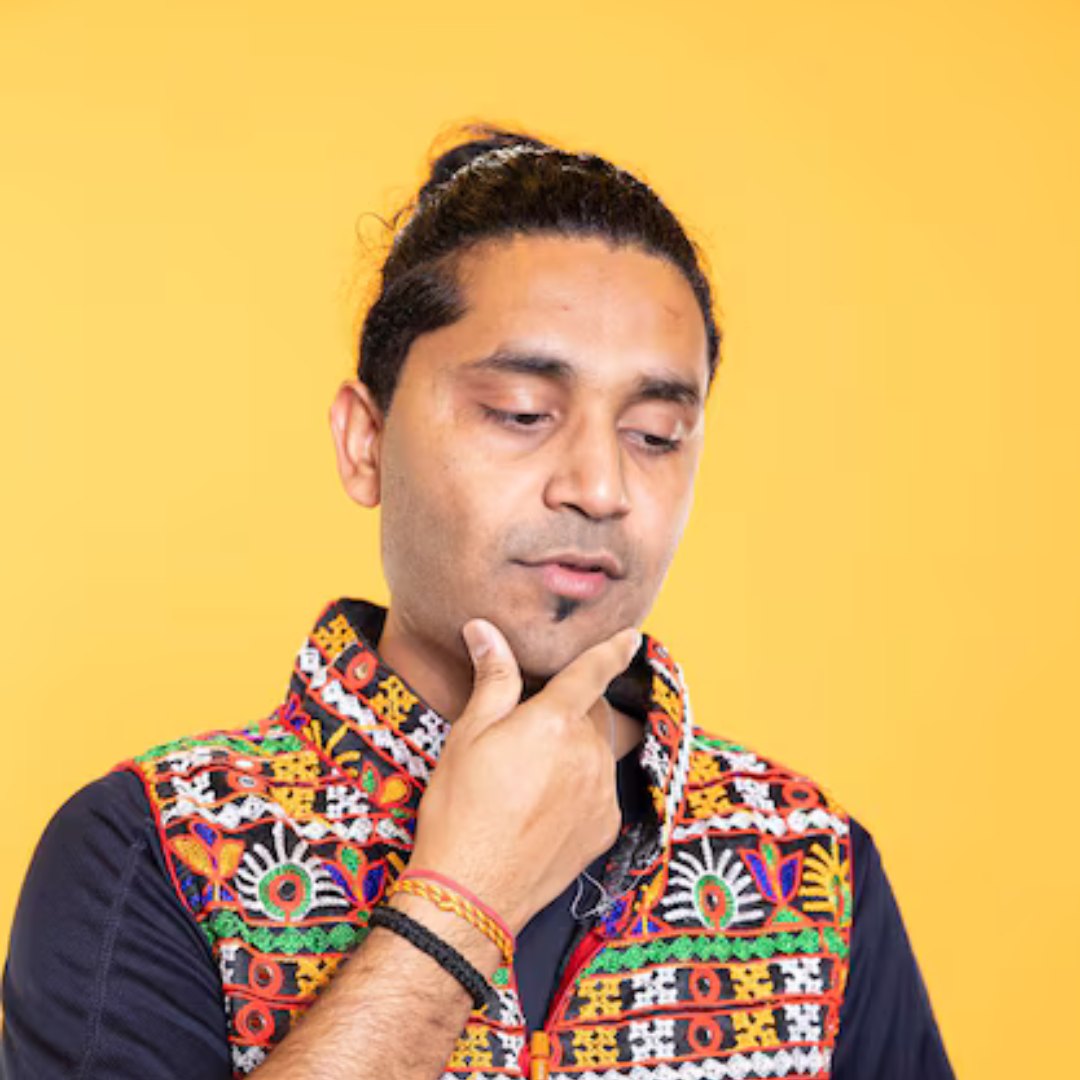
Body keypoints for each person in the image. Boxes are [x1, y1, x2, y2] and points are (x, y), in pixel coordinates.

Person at [0, 127, 953, 1080]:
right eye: (522, 414)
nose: (600, 487)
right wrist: (460, 902)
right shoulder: (157, 846)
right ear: (365, 443)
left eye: (656, 434)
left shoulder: (809, 863)